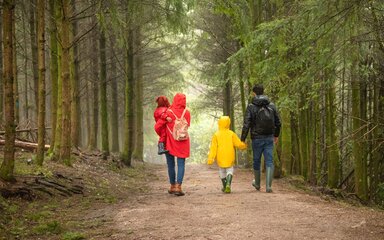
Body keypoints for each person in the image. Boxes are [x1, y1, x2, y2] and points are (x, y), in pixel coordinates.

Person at [241, 84, 281, 193]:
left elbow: (246, 124)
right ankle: (268, 186)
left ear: (254, 93)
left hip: (256, 138)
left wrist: (243, 139)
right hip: (269, 137)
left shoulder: (251, 107)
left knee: (256, 161)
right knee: (269, 161)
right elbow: (278, 122)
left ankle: (257, 184)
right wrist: (276, 135)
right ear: (263, 92)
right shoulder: (272, 105)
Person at [155, 93, 191, 196]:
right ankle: (178, 187)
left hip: (169, 142)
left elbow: (157, 126)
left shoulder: (168, 112)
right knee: (181, 164)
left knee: (170, 164)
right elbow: (187, 125)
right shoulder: (187, 113)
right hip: (183, 141)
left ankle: (172, 186)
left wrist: (161, 135)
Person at [207, 116, 247, 193]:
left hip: (220, 156)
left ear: (219, 123)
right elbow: (238, 144)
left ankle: (225, 186)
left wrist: (210, 158)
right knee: (230, 169)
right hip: (230, 155)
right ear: (228, 123)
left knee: (222, 171)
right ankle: (228, 184)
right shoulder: (231, 133)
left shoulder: (216, 134)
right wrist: (244, 145)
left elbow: (213, 148)